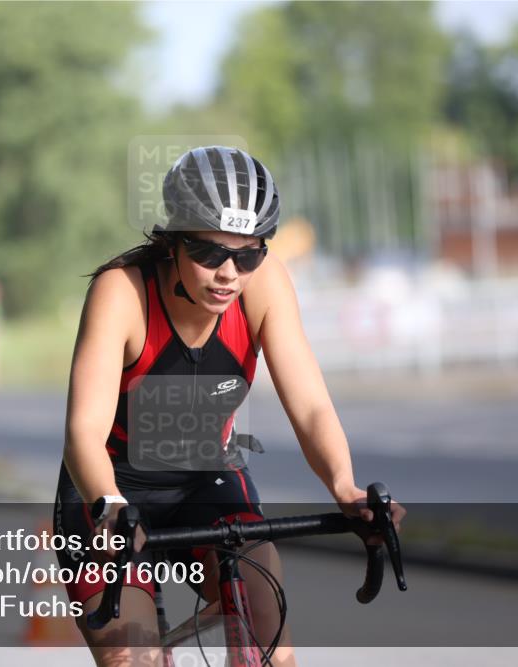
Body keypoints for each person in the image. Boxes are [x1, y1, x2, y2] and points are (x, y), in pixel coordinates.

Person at [53, 146, 405, 666]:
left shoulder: (265, 285)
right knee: (133, 659)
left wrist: (344, 487)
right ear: (172, 241)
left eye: (248, 255)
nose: (229, 274)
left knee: (270, 630)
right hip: (110, 490)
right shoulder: (122, 293)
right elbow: (82, 432)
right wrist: (109, 506)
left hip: (206, 479)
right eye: (210, 253)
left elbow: (310, 405)